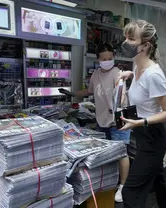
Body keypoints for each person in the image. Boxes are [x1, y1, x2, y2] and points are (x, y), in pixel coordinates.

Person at [58, 43, 130, 202]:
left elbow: (122, 94)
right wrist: (72, 93)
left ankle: (123, 187)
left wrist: (118, 109)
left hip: (119, 118)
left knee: (121, 152)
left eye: (110, 58)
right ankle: (108, 182)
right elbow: (89, 91)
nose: (107, 61)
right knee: (104, 153)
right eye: (104, 59)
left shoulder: (117, 73)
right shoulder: (96, 74)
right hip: (102, 119)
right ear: (98, 59)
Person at [117, 19, 166, 208]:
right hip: (142, 133)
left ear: (146, 45)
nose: (126, 42)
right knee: (158, 179)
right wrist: (131, 75)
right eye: (126, 36)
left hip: (153, 136)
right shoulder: (137, 65)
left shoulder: (154, 74)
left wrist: (140, 123)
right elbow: (144, 88)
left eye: (131, 39)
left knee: (130, 191)